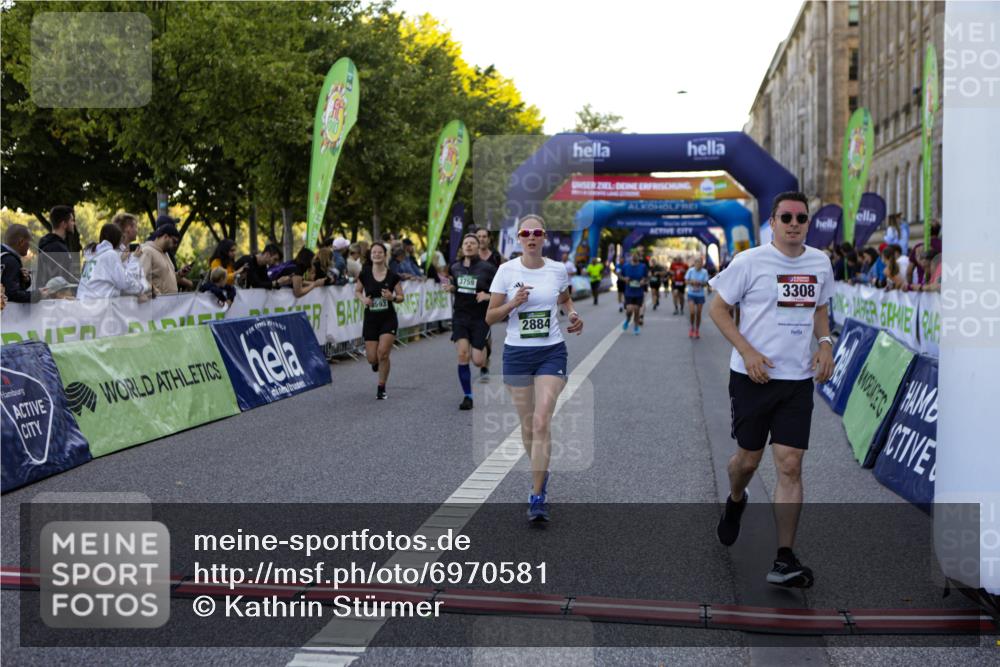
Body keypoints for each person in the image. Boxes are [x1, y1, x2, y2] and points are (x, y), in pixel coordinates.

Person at [708, 191, 835, 589]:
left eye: (801, 218)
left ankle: (784, 558)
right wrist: (747, 352)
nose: (794, 224)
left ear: (808, 223)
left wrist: (825, 344)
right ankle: (736, 500)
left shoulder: (820, 262)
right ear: (773, 223)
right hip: (752, 378)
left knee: (790, 464)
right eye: (786, 217)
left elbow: (820, 307)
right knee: (747, 462)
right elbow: (717, 308)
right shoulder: (750, 261)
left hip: (796, 381)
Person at [487, 214, 583, 523]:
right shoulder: (506, 271)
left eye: (537, 232)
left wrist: (572, 314)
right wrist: (513, 303)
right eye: (525, 233)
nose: (531, 237)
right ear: (519, 238)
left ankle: (538, 494)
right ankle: (541, 471)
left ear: (544, 237)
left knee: (541, 421)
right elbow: (490, 316)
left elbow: (565, 298)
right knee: (528, 425)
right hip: (516, 355)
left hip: (551, 352)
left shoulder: (557, 269)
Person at [446, 233, 497, 410]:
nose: (468, 245)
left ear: (478, 246)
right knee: (462, 355)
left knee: (477, 360)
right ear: (462, 247)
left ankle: (486, 347)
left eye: (472, 243)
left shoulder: (488, 268)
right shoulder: (455, 267)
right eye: (466, 243)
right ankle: (468, 396)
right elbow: (456, 285)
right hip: (460, 316)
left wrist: (487, 296)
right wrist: (451, 287)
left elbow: (501, 292)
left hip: (480, 318)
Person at [356, 242, 404, 400]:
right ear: (371, 256)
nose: (376, 255)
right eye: (374, 252)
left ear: (385, 255)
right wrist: (363, 299)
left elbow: (401, 297)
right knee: (372, 358)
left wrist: (392, 297)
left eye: (380, 252)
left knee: (383, 354)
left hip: (388, 319)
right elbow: (357, 291)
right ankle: (375, 363)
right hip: (371, 320)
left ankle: (381, 387)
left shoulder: (392, 276)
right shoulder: (365, 273)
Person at [75, 223, 147, 300]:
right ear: (116, 240)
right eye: (121, 240)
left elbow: (106, 277)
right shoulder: (110, 254)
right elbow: (125, 284)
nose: (121, 245)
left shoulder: (94, 254)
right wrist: (134, 259)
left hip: (86, 303)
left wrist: (120, 260)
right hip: (98, 305)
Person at [35, 205, 79, 288]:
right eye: (72, 220)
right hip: (56, 295)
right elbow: (57, 282)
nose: (73, 223)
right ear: (64, 224)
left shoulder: (50, 244)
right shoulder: (57, 248)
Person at [139, 224, 184, 295]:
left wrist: (179, 274)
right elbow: (141, 279)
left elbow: (165, 279)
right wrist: (158, 294)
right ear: (165, 236)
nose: (175, 245)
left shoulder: (165, 253)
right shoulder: (147, 251)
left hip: (170, 300)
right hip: (157, 301)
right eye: (174, 241)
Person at [1, 224, 34, 303]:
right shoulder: (11, 261)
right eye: (29, 242)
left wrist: (24, 280)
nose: (29, 246)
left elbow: (6, 285)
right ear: (21, 242)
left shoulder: (3, 257)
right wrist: (38, 294)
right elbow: (12, 294)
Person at [619, 251, 647, 335]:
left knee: (637, 310)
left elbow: (646, 277)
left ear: (639, 257)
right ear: (631, 257)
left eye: (636, 255)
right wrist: (624, 279)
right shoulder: (626, 266)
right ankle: (627, 320)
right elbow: (620, 275)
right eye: (633, 255)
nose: (634, 257)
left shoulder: (643, 266)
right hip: (629, 292)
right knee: (629, 310)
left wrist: (643, 281)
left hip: (639, 292)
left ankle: (636, 327)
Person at [685, 256, 710, 339]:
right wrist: (691, 282)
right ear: (695, 263)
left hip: (700, 295)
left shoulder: (704, 272)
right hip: (691, 294)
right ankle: (692, 327)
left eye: (700, 263)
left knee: (698, 313)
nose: (698, 264)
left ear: (702, 264)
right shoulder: (690, 270)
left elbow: (706, 283)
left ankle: (697, 330)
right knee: (692, 312)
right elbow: (686, 281)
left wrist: (700, 283)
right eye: (697, 262)